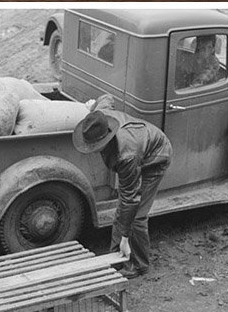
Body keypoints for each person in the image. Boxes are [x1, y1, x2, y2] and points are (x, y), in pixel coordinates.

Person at [72, 96, 173, 278]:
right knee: (123, 211)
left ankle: (139, 264)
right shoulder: (99, 118)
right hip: (140, 147)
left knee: (137, 216)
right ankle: (116, 257)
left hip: (156, 156)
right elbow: (107, 98)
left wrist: (125, 238)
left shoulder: (126, 155)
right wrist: (91, 105)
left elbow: (130, 198)